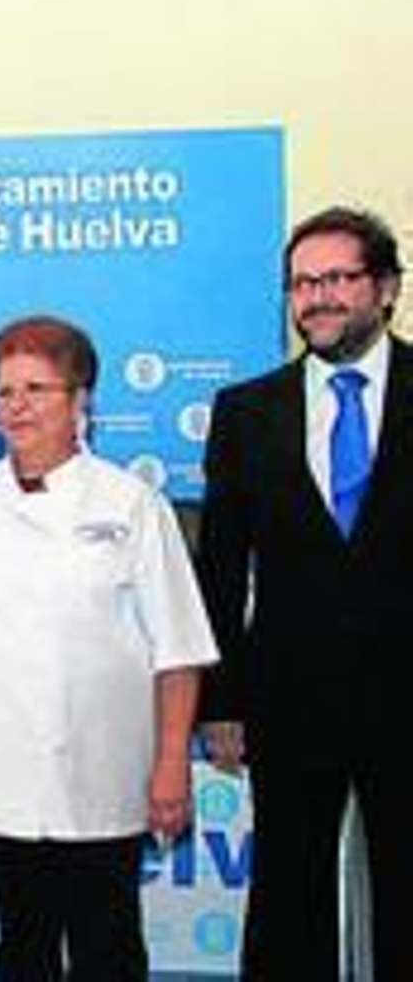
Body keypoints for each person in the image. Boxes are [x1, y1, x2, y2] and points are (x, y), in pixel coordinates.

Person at [0, 315, 217, 980]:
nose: (16, 406)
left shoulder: (132, 504)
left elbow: (178, 649)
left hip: (104, 769)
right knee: (22, 943)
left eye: (36, 389)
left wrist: (169, 763)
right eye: (4, 391)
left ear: (81, 402)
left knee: (107, 944)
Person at [196, 205, 413, 978]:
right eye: (300, 283)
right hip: (289, 696)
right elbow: (220, 565)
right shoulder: (247, 412)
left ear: (385, 288)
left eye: (337, 278)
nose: (316, 297)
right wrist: (218, 698)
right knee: (289, 897)